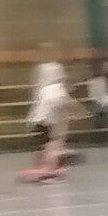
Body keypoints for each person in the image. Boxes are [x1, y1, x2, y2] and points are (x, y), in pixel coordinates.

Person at [21, 54, 72, 182]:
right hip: (47, 121)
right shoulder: (56, 89)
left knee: (48, 145)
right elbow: (62, 108)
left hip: (42, 120)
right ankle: (48, 169)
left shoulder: (46, 89)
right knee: (53, 144)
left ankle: (46, 168)